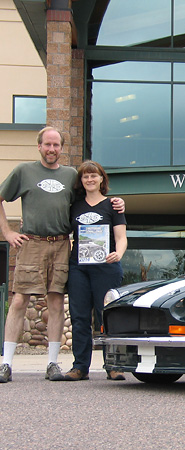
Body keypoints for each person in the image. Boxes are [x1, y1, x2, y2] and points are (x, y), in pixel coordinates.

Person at [0, 127, 123, 383]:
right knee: (20, 300)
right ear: (39, 146)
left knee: (56, 303)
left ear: (62, 148)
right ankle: (6, 364)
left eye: (56, 145)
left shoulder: (70, 176)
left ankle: (53, 363)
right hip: (32, 243)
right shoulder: (24, 171)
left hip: (61, 246)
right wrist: (8, 233)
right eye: (48, 144)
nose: (52, 149)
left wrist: (118, 202)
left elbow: (95, 199)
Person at [63, 161, 127, 381]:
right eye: (85, 176)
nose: (89, 179)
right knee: (80, 318)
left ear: (102, 179)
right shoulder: (75, 206)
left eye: (94, 176)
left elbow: (121, 237)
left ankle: (113, 365)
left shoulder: (113, 205)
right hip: (78, 268)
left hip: (106, 268)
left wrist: (118, 253)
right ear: (81, 181)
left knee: (106, 317)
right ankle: (80, 367)